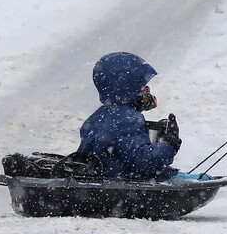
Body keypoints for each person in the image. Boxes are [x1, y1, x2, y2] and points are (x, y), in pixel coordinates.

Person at [77, 52, 182, 181]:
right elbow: (145, 162)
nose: (147, 93)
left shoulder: (97, 117)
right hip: (120, 185)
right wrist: (169, 144)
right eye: (143, 88)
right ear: (129, 89)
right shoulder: (127, 119)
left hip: (99, 180)